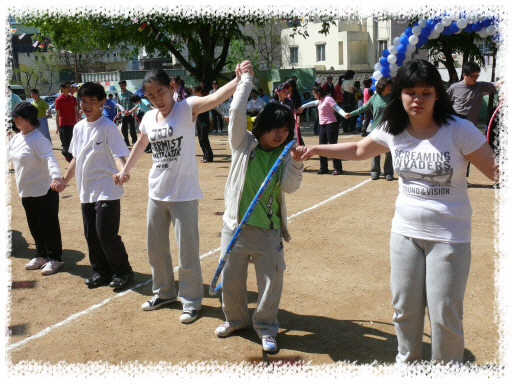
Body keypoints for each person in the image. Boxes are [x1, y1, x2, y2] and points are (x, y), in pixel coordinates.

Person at [296, 59, 497, 365]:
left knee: (444, 315)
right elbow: (359, 150)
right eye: (410, 92)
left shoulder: (459, 131)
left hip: (449, 238)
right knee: (404, 309)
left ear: (438, 95)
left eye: (426, 92)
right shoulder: (393, 128)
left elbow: (498, 172)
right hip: (404, 235)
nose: (418, 99)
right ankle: (408, 368)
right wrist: (316, 149)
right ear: (399, 94)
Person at [112, 61, 253, 324]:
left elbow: (214, 98)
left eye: (161, 93)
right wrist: (125, 170)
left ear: (172, 88)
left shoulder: (186, 108)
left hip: (184, 195)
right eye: (151, 96)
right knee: (155, 248)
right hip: (157, 192)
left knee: (187, 251)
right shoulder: (147, 118)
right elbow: (141, 143)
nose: (157, 100)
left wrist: (238, 80)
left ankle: (191, 301)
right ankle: (164, 292)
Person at [213, 65, 304, 354]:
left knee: (270, 282)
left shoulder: (285, 154)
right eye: (275, 128)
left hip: (268, 231)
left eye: (286, 129)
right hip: (235, 228)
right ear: (261, 127)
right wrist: (246, 81)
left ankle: (266, 327)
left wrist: (298, 163)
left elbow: (289, 187)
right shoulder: (243, 144)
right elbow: (237, 112)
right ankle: (236, 320)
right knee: (231, 281)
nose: (280, 134)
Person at [63, 82, 134, 288]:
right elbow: (76, 158)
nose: (86, 106)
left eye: (92, 101)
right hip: (86, 189)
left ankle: (123, 271)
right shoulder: (78, 128)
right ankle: (101, 271)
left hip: (107, 188)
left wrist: (123, 172)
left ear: (102, 102)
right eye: (83, 101)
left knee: (105, 233)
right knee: (91, 234)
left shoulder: (108, 127)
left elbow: (119, 155)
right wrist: (64, 180)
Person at [8, 102, 66, 275]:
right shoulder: (17, 138)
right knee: (34, 225)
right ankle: (41, 255)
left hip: (44, 191)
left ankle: (55, 258)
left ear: (27, 119)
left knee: (48, 226)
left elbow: (50, 159)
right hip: (26, 190)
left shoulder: (38, 139)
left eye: (16, 116)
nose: (13, 119)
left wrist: (56, 177)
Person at [346, 77, 394, 181]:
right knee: (375, 151)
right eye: (388, 85)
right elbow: (364, 108)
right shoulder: (375, 97)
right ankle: (375, 172)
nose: (390, 87)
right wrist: (351, 114)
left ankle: (388, 172)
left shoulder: (393, 97)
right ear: (382, 86)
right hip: (376, 128)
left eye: (391, 85)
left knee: (389, 152)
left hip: (389, 129)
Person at [299, 85, 345, 175]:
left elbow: (337, 108)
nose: (314, 96)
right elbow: (313, 103)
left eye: (314, 94)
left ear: (319, 93)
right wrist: (302, 106)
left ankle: (338, 168)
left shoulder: (328, 99)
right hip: (323, 126)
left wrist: (344, 114)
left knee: (333, 147)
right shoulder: (320, 100)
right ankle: (324, 168)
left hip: (331, 125)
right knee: (321, 147)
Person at [447, 61, 504, 127]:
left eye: (477, 76)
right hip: (455, 125)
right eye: (472, 76)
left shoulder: (480, 86)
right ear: (464, 75)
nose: (475, 78)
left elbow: (498, 84)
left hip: (471, 127)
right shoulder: (454, 87)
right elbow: (443, 101)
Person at [192, 84, 228, 163]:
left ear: (200, 91)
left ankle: (209, 156)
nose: (194, 94)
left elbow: (215, 106)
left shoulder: (205, 98)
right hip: (198, 120)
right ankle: (205, 155)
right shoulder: (195, 99)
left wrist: (223, 114)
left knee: (204, 139)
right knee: (200, 139)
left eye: (195, 92)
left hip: (205, 121)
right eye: (193, 92)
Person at [55, 81, 81, 162]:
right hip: (64, 125)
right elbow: (57, 114)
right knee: (67, 144)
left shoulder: (72, 98)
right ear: (62, 88)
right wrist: (57, 127)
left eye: (70, 87)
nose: (70, 88)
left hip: (73, 124)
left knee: (75, 143)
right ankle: (70, 161)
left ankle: (69, 156)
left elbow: (76, 110)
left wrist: (80, 119)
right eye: (68, 87)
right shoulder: (58, 100)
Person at [118, 80, 137, 146]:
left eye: (123, 85)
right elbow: (118, 105)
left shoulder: (130, 94)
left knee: (132, 129)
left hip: (130, 114)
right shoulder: (119, 94)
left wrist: (132, 113)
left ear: (126, 85)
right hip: (123, 115)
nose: (121, 86)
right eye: (120, 85)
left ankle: (134, 141)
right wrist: (119, 114)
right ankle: (126, 142)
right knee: (123, 129)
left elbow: (133, 104)